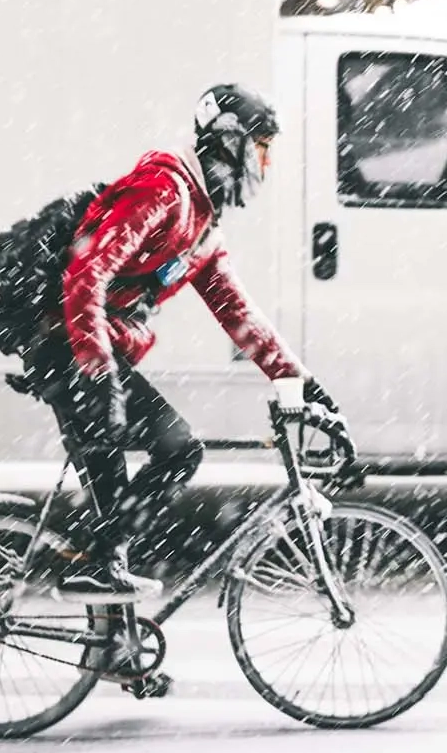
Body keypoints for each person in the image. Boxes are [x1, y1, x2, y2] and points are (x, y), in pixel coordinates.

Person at [27, 83, 348, 604]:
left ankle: (110, 622)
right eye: (262, 147)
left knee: (115, 522)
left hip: (87, 348)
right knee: (177, 451)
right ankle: (99, 565)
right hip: (67, 345)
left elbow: (239, 317)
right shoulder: (164, 191)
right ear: (230, 141)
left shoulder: (201, 224)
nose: (266, 164)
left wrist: (307, 389)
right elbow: (87, 273)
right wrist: (98, 373)